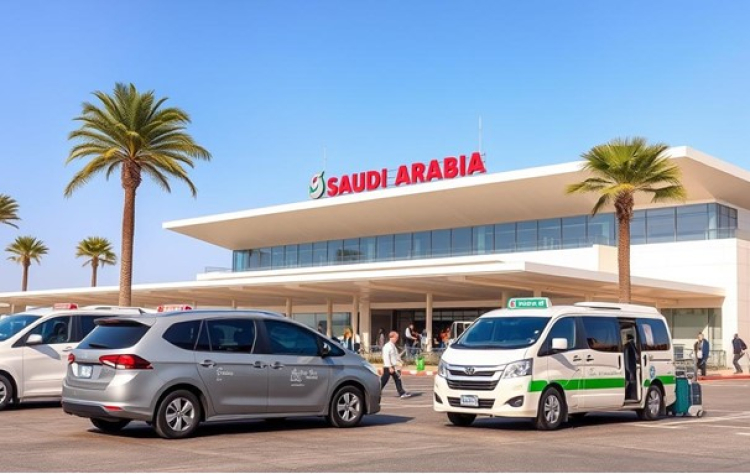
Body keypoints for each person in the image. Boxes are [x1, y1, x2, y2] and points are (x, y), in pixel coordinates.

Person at [380, 331, 412, 398]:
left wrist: (401, 362)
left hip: (395, 366)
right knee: (384, 380)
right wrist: (389, 367)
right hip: (389, 366)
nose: (397, 339)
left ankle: (401, 393)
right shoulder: (387, 346)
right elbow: (386, 357)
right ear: (392, 337)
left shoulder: (393, 346)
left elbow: (396, 356)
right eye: (396, 337)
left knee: (398, 379)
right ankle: (376, 391)